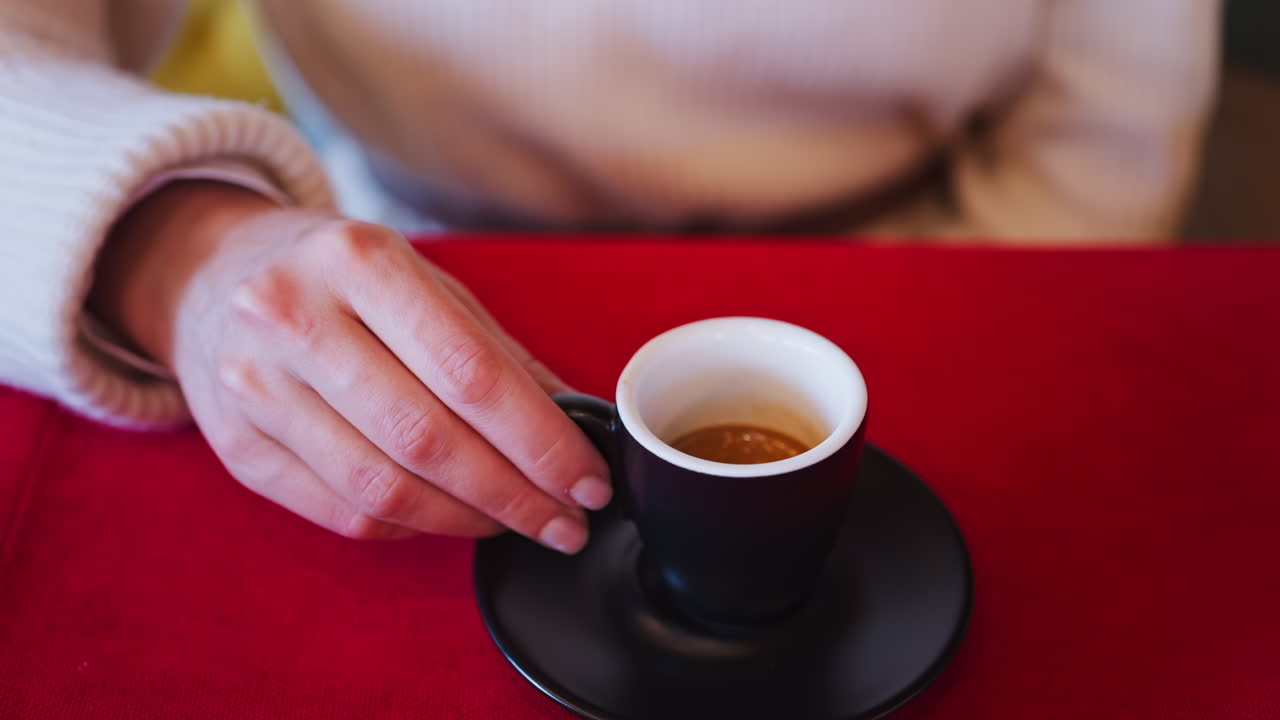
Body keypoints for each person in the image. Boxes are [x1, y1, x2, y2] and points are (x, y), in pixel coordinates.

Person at [0, 1, 1220, 553]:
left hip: (945, 267)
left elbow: (1110, 109)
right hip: (405, 293)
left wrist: (995, 298)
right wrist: (182, 253)